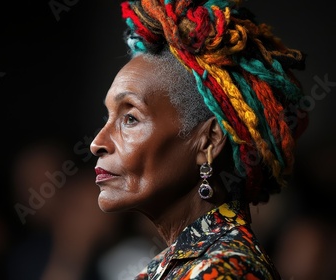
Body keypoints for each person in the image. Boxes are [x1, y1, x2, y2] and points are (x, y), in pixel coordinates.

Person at [89, 0, 308, 279]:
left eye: (130, 119)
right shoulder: (163, 270)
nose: (97, 142)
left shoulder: (225, 271)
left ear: (209, 141)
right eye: (107, 117)